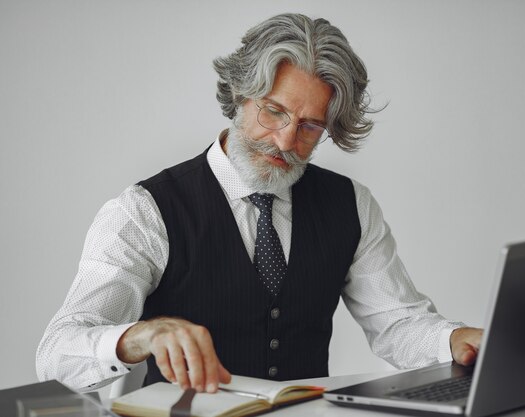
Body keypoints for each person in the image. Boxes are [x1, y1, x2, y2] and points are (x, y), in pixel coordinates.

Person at [36, 13, 482, 394]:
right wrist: (139, 336)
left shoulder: (352, 206)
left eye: (309, 127)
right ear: (239, 94)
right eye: (273, 111)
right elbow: (56, 356)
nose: (286, 140)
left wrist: (456, 338)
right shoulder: (144, 211)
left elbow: (398, 324)